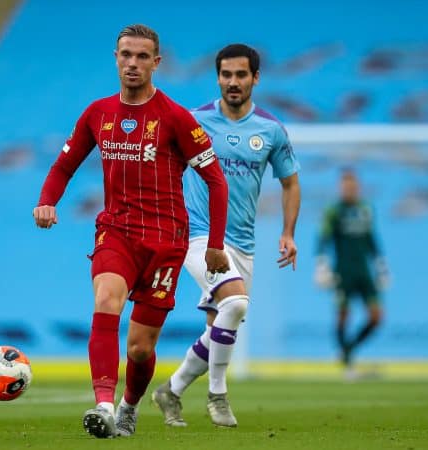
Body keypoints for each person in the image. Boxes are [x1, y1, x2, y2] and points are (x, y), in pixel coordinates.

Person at [33, 24, 230, 439]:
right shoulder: (97, 113)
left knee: (140, 348)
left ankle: (129, 405)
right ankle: (103, 404)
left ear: (157, 63)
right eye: (126, 55)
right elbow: (64, 164)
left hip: (165, 241)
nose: (133, 63)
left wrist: (214, 246)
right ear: (116, 58)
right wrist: (47, 199)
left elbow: (216, 180)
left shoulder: (175, 118)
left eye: (142, 57)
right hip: (117, 231)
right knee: (106, 300)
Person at [151, 43, 301, 427]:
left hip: (243, 243)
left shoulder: (270, 129)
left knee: (220, 327)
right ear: (217, 77)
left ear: (255, 78)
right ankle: (218, 397)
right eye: (226, 75)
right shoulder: (193, 120)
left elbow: (290, 182)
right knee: (236, 304)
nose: (232, 82)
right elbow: (162, 168)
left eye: (240, 75)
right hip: (198, 235)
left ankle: (171, 390)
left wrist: (287, 232)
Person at [314, 168, 388, 378]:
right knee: (342, 317)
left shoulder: (366, 209)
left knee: (376, 316)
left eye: (353, 186)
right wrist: (321, 265)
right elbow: (323, 238)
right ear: (340, 188)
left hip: (363, 271)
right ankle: (348, 364)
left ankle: (347, 350)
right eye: (346, 186)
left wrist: (381, 265)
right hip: (343, 271)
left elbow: (371, 239)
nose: (350, 189)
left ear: (358, 187)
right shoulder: (334, 211)